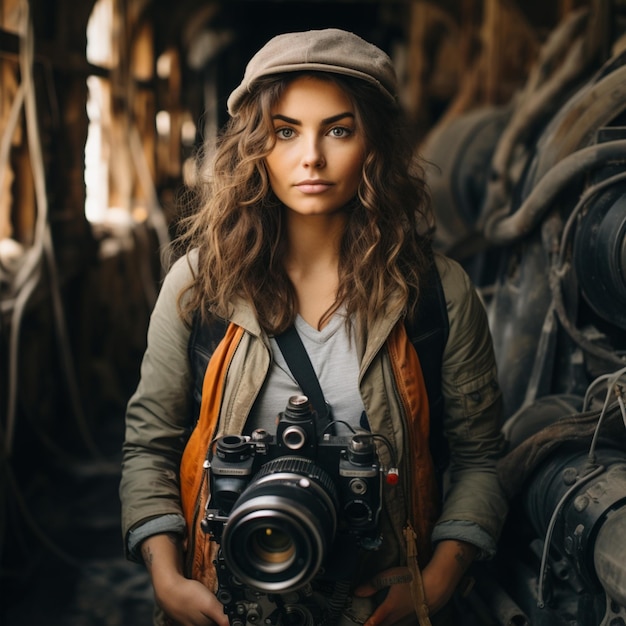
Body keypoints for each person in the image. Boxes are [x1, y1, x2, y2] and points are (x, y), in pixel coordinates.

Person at [120, 28, 508, 626]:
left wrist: (437, 581)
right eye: (285, 131)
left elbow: (481, 456)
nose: (312, 158)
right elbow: (151, 443)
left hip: (377, 606)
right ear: (255, 145)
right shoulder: (201, 289)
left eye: (338, 129)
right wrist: (168, 578)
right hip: (231, 601)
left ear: (373, 143)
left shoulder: (436, 294)